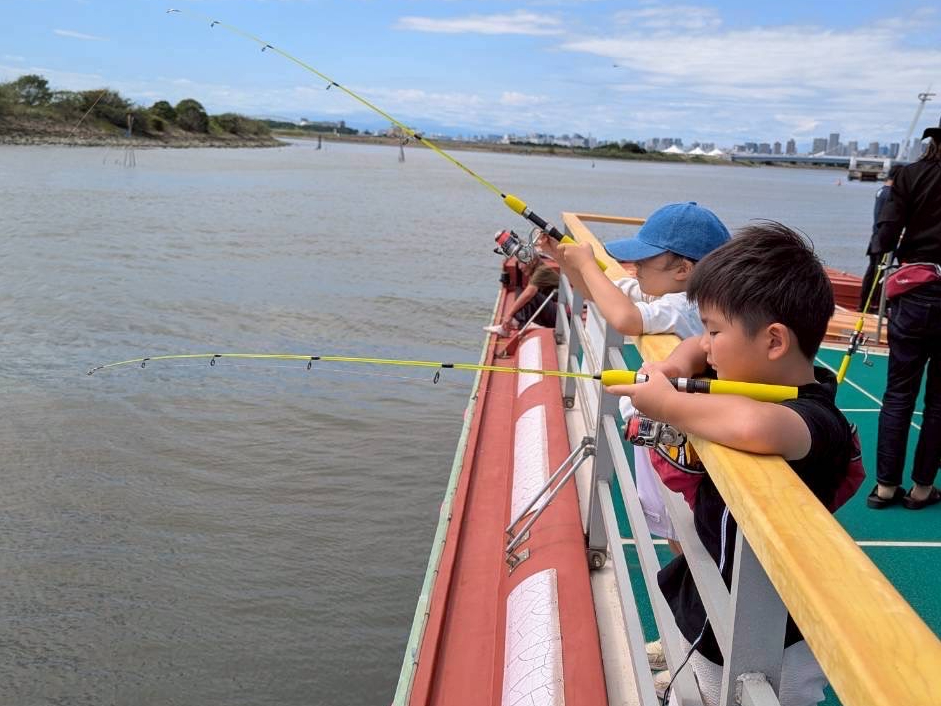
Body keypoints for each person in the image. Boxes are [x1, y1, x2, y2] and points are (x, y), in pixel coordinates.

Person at [607, 223, 855, 706]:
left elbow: (757, 428)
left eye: (716, 330)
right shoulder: (765, 368)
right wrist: (673, 369)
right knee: (699, 684)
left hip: (773, 630)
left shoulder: (816, 417)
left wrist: (667, 405)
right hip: (721, 594)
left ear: (774, 342)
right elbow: (696, 349)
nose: (708, 343)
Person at [868, 117, 941, 510]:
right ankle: (923, 490)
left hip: (915, 292)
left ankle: (885, 488)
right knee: (939, 404)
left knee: (898, 394)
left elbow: (885, 233)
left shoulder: (910, 176)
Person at [858, 164, 902, 311]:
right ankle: (874, 306)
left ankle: (864, 304)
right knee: (879, 274)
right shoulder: (891, 194)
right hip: (884, 238)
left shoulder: (881, 191)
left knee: (872, 272)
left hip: (876, 236)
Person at [483, 259, 559, 337]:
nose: (520, 267)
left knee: (531, 296)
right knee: (526, 298)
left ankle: (509, 326)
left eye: (522, 263)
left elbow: (529, 294)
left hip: (563, 319)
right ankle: (509, 326)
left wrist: (509, 315)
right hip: (557, 315)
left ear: (533, 261)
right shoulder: (536, 271)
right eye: (518, 263)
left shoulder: (542, 271)